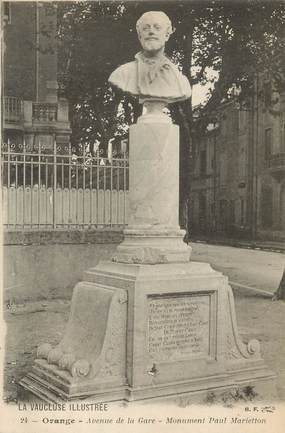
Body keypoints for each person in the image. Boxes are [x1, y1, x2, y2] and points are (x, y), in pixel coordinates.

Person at [108, 11, 191, 104]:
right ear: (140, 36)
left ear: (167, 35)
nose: (151, 32)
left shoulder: (180, 81)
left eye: (157, 28)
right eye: (146, 28)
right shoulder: (122, 74)